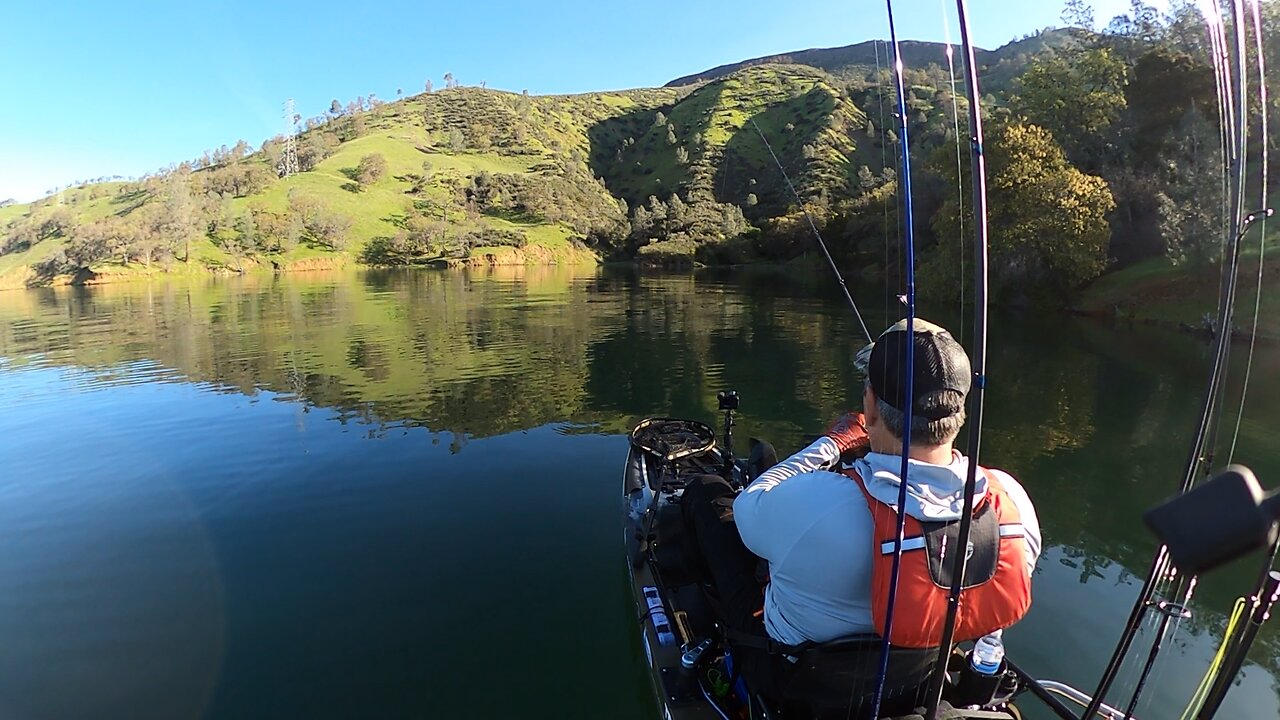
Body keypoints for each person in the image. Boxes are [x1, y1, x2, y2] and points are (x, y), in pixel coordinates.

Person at [680, 318, 1041, 704]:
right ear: (960, 409)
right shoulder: (1012, 505)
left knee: (708, 495)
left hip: (792, 681)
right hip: (916, 681)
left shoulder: (816, 504)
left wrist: (831, 445)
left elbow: (751, 504)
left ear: (869, 405)